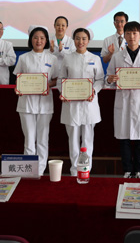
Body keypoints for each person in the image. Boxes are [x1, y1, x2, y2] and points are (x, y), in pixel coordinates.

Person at [106, 21, 140, 178]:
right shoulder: (117, 56)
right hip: (123, 101)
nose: (131, 36)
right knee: (124, 138)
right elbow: (108, 77)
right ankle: (127, 170)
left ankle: (139, 170)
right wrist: (110, 79)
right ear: (124, 36)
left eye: (135, 33)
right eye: (128, 33)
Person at [58, 27, 104, 176]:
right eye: (77, 38)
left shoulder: (95, 58)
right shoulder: (67, 58)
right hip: (71, 104)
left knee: (88, 139)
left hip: (89, 104)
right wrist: (63, 92)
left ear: (88, 40)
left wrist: (93, 90)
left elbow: (100, 80)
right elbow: (60, 79)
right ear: (73, 40)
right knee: (73, 138)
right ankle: (74, 170)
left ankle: (86, 169)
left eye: (84, 39)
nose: (80, 42)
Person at [13, 26, 57, 175]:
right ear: (31, 40)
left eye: (42, 38)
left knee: (43, 138)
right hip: (26, 103)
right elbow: (18, 78)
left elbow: (56, 79)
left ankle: (41, 170)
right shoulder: (23, 58)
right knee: (29, 138)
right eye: (35, 38)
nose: (39, 41)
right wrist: (18, 87)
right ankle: (29, 170)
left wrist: (47, 84)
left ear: (46, 41)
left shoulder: (52, 59)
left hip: (45, 103)